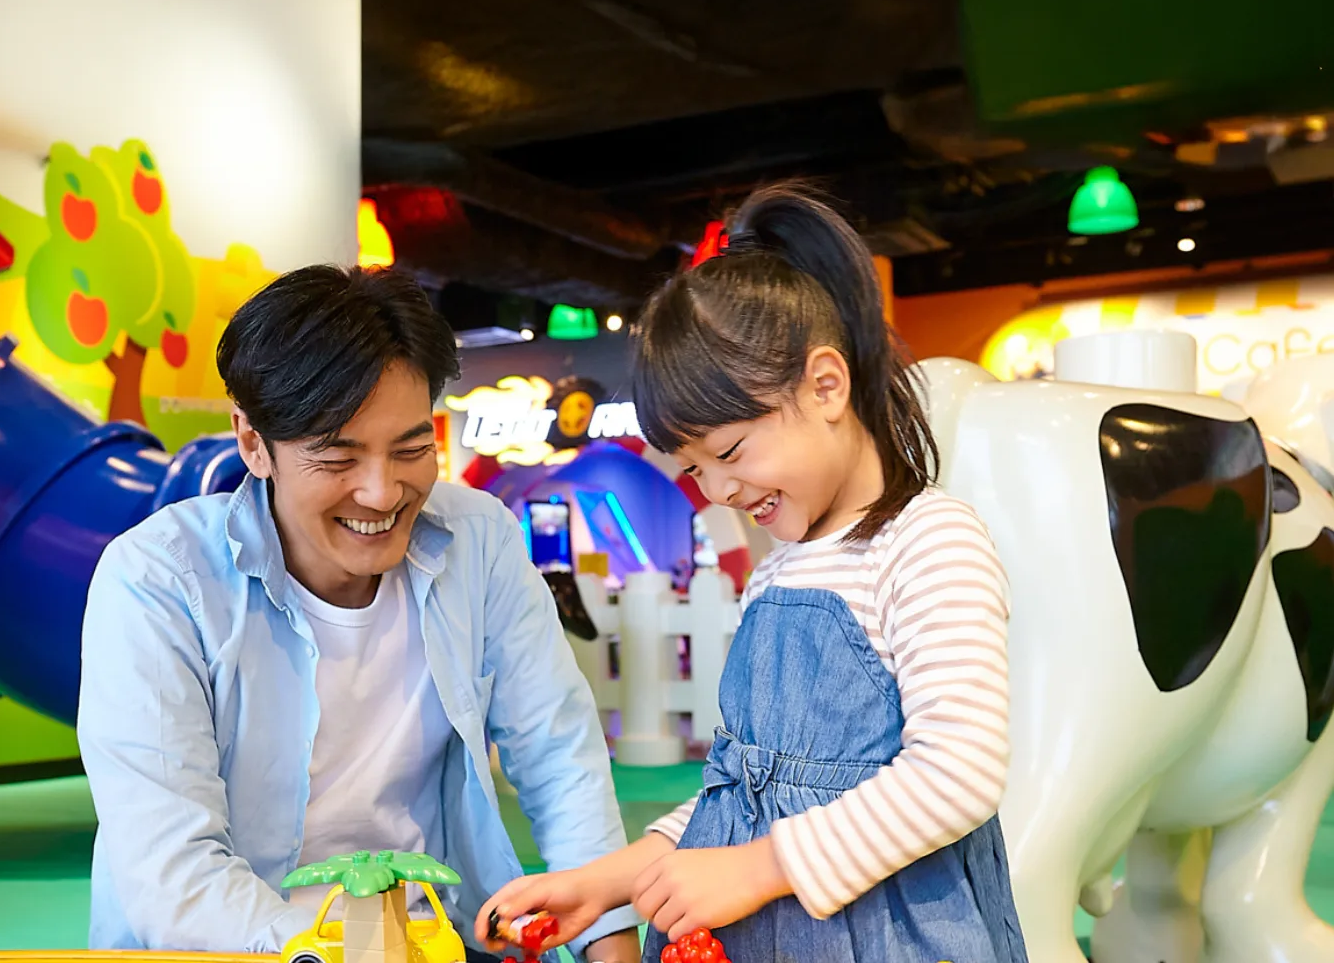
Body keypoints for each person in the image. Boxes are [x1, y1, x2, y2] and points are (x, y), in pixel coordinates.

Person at [477, 184, 1028, 963]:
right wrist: (606, 883)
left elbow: (959, 773)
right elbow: (738, 799)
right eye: (695, 470)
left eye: (731, 452)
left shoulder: (927, 541)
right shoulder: (781, 571)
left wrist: (761, 868)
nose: (722, 490)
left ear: (826, 386)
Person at [77, 264, 642, 963]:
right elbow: (169, 868)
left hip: (427, 942)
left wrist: (610, 947)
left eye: (411, 450)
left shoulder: (479, 539)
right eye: (338, 457)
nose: (381, 492)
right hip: (230, 950)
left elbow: (558, 755)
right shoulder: (160, 580)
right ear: (253, 442)